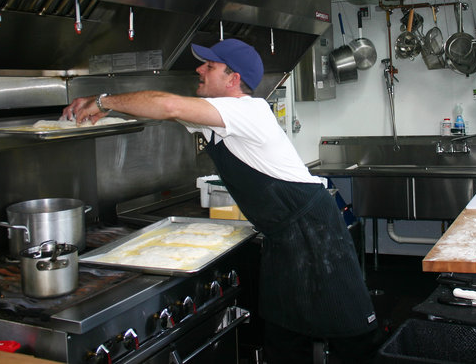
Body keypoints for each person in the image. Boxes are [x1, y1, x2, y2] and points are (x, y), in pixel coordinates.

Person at [62, 38, 379, 363]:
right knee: (284, 337)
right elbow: (162, 109)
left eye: (209, 66)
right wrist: (110, 109)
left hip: (315, 232)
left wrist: (103, 102)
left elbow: (169, 105)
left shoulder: (248, 110)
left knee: (352, 338)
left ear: (233, 79)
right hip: (282, 236)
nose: (199, 69)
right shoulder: (213, 118)